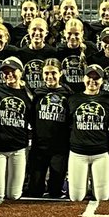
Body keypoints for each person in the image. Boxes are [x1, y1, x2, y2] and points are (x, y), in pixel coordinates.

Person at [67, 65, 109, 202]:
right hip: (78, 153)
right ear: (83, 78)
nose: (92, 81)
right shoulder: (73, 99)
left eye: (96, 78)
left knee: (102, 198)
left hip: (101, 153)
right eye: (89, 77)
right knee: (76, 198)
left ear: (102, 81)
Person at [0, 57, 31, 201]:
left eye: (13, 71)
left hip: (18, 148)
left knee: (14, 195)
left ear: (21, 72)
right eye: (6, 72)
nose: (9, 75)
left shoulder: (29, 94)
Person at [29, 60, 70, 198]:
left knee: (55, 191)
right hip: (39, 145)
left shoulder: (68, 94)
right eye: (46, 73)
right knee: (35, 189)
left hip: (60, 147)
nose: (50, 76)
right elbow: (31, 117)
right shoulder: (37, 93)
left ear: (61, 73)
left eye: (53, 73)